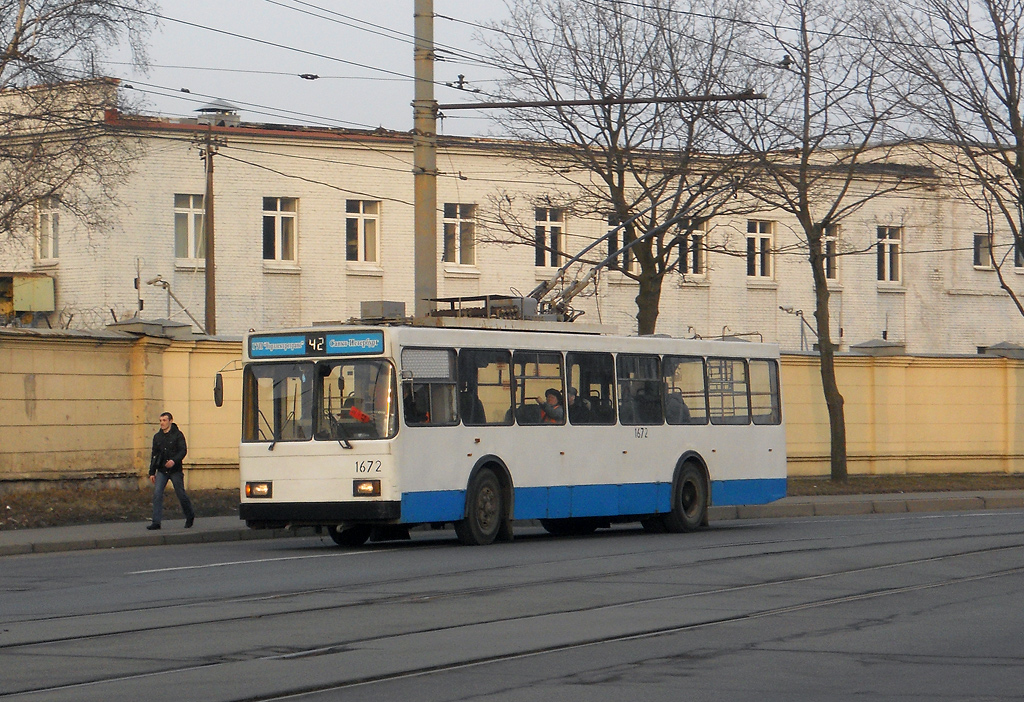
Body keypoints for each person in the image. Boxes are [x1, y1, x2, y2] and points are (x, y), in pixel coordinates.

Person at [147, 411, 195, 530]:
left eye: (164, 420)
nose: (162, 423)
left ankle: (189, 515)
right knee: (157, 494)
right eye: (160, 421)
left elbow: (183, 451)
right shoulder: (157, 437)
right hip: (162, 470)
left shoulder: (178, 435)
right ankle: (156, 522)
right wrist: (152, 472)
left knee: (180, 494)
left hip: (175, 470)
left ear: (170, 421)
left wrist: (174, 461)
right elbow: (154, 455)